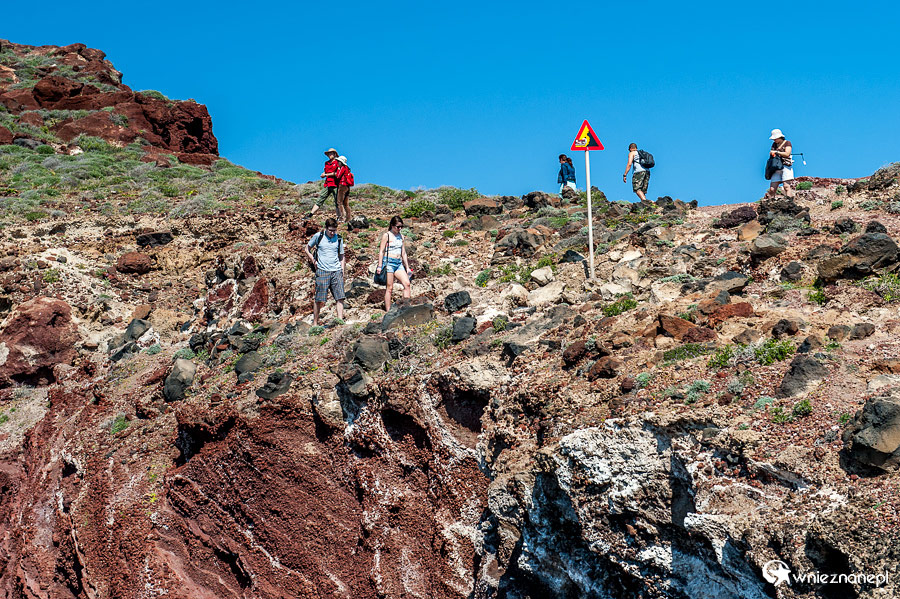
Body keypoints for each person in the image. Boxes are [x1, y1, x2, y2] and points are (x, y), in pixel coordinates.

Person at [304, 217, 345, 325]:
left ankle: (340, 321)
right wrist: (313, 260)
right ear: (326, 228)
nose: (332, 233)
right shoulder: (319, 236)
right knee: (319, 298)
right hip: (322, 270)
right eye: (330, 230)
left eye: (334, 230)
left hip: (336, 270)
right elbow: (306, 249)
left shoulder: (339, 238)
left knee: (340, 297)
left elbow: (341, 255)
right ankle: (315, 322)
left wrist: (342, 269)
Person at [376, 216, 413, 311]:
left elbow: (403, 252)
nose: (400, 228)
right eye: (398, 226)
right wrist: (380, 266)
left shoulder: (401, 236)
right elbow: (381, 251)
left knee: (407, 284)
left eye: (401, 226)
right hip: (389, 263)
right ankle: (388, 311)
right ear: (392, 226)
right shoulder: (387, 235)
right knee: (390, 288)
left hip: (398, 263)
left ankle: (406, 307)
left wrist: (407, 267)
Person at [310, 148, 340, 218]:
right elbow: (326, 172)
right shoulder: (326, 163)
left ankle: (339, 217)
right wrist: (324, 174)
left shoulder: (338, 162)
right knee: (320, 199)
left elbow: (337, 173)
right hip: (327, 184)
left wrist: (326, 175)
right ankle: (310, 214)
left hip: (335, 184)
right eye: (329, 153)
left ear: (334, 154)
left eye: (331, 153)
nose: (329, 155)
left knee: (337, 202)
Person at [766, 129, 794, 198]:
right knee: (772, 189)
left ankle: (789, 201)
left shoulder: (787, 143)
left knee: (786, 186)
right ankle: (770, 202)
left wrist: (777, 152)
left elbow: (787, 153)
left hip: (785, 166)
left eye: (775, 138)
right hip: (776, 167)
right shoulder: (774, 145)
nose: (774, 140)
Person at [335, 155, 353, 223]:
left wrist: (338, 171)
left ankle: (341, 217)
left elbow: (338, 176)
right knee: (346, 204)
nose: (337, 163)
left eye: (338, 161)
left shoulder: (342, 168)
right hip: (347, 186)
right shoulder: (348, 168)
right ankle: (348, 218)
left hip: (342, 185)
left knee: (339, 202)